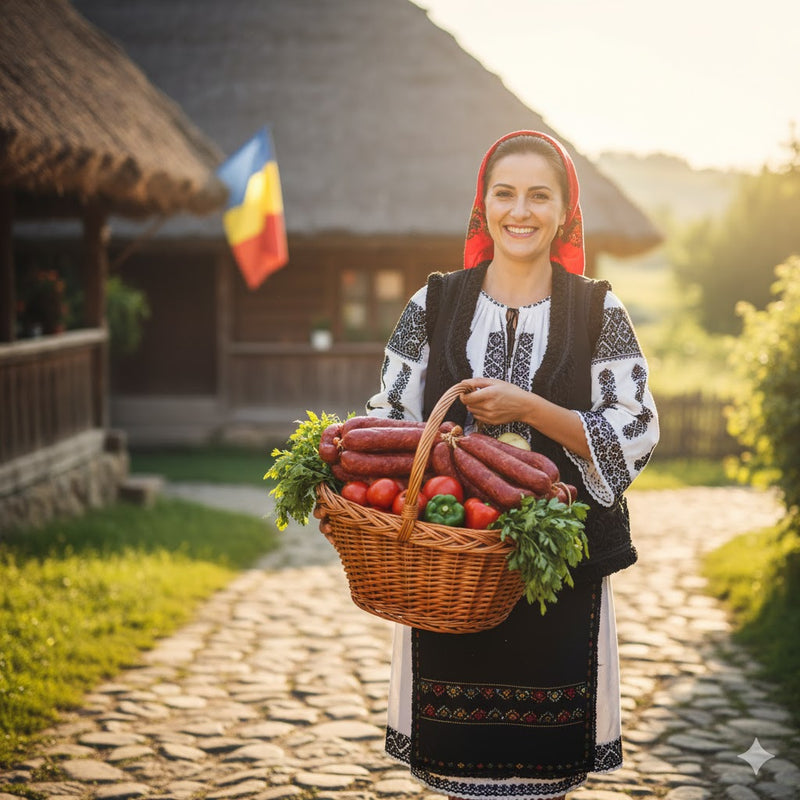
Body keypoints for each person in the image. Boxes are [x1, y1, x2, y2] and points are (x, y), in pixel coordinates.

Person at [363, 130, 659, 799]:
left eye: (538, 196)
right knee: (457, 760)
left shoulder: (597, 309)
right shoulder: (434, 305)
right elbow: (391, 416)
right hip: (451, 559)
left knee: (545, 766)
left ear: (562, 215)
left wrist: (534, 408)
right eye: (504, 194)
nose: (519, 211)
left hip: (563, 561)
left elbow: (635, 427)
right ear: (483, 205)